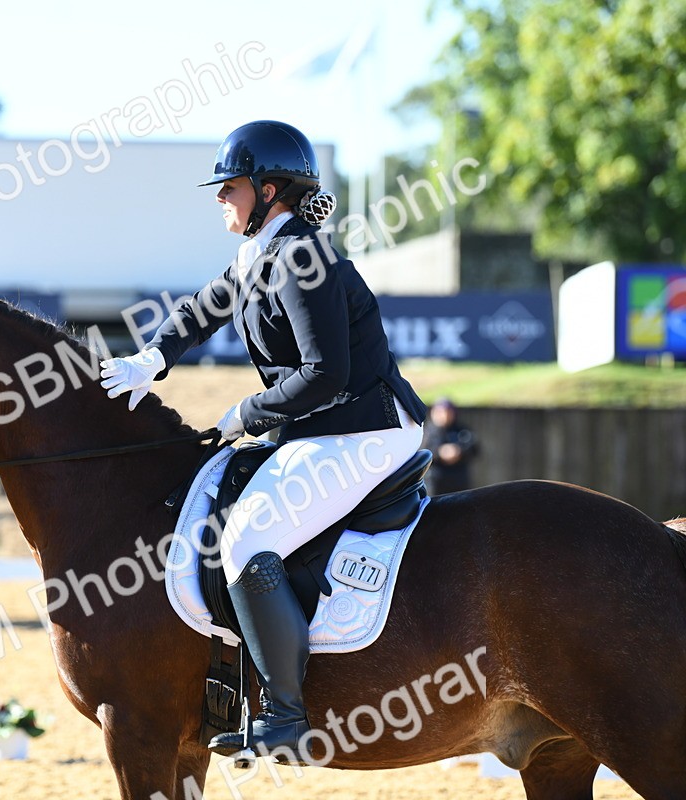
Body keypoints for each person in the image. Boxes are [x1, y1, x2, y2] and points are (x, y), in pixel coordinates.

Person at [98, 120, 428, 762]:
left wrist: (246, 413)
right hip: (325, 425)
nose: (219, 196)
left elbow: (324, 373)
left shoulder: (302, 258)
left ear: (269, 189)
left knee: (247, 535)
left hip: (366, 427)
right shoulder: (261, 252)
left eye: (230, 186)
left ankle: (284, 712)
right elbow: (201, 309)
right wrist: (150, 359)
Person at [421, 398, 478, 494]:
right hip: (433, 484)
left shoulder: (461, 430)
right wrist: (440, 453)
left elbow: (474, 448)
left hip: (459, 484)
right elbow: (421, 452)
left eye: (447, 411)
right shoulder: (426, 432)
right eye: (440, 412)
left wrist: (458, 451)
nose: (444, 415)